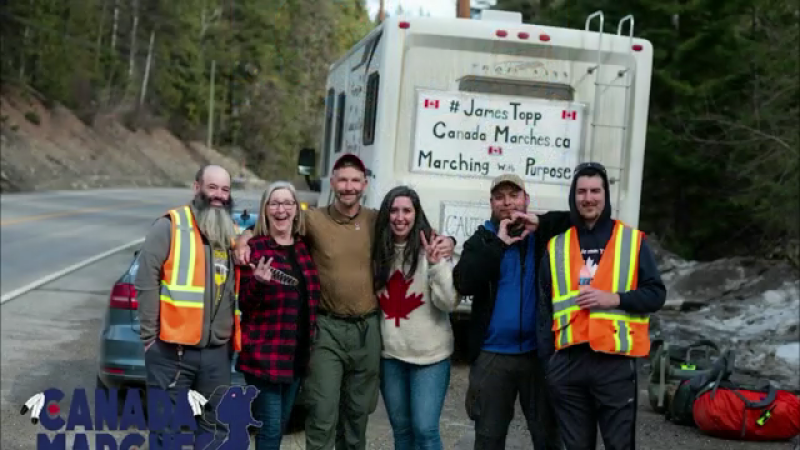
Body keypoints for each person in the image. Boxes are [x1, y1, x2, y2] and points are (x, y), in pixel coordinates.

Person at [233, 153, 456, 450]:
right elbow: (277, 220)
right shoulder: (314, 219)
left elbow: (418, 229)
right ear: (333, 182)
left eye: (355, 180)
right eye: (342, 180)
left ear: (364, 185)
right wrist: (245, 238)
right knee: (322, 411)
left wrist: (449, 241)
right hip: (327, 328)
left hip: (368, 329)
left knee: (356, 414)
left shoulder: (377, 220)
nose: (349, 187)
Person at [537, 162, 667, 450]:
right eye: (581, 191)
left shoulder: (631, 241)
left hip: (614, 362)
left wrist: (616, 298)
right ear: (573, 197)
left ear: (605, 195)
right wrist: (549, 366)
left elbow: (656, 295)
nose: (588, 198)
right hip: (568, 364)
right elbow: (544, 311)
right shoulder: (556, 246)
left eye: (595, 191)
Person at [452, 173, 571, 450]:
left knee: (549, 437)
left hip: (538, 354)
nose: (507, 203)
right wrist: (498, 244)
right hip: (492, 355)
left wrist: (540, 222)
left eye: (514, 196)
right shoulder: (482, 240)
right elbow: (464, 282)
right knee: (489, 438)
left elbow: (581, 220)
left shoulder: (543, 237)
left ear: (526, 199)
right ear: (491, 203)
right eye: (499, 197)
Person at [135, 164, 242, 448]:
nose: (219, 195)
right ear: (197, 188)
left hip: (216, 352)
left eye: (225, 189)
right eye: (212, 187)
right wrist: (149, 338)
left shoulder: (231, 233)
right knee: (166, 433)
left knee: (215, 432)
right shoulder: (169, 225)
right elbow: (146, 280)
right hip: (171, 351)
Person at [371, 186, 461, 450]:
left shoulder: (431, 248)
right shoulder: (378, 251)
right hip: (391, 356)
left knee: (425, 430)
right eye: (394, 211)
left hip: (430, 357)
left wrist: (436, 265)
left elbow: (448, 302)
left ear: (416, 214)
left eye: (406, 211)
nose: (400, 217)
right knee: (402, 432)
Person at [236, 181, 321, 450]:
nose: (281, 210)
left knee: (279, 427)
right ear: (265, 209)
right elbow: (245, 303)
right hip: (264, 357)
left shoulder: (305, 247)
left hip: (296, 357)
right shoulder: (255, 249)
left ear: (296, 209)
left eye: (287, 203)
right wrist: (258, 283)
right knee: (270, 429)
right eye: (274, 203)